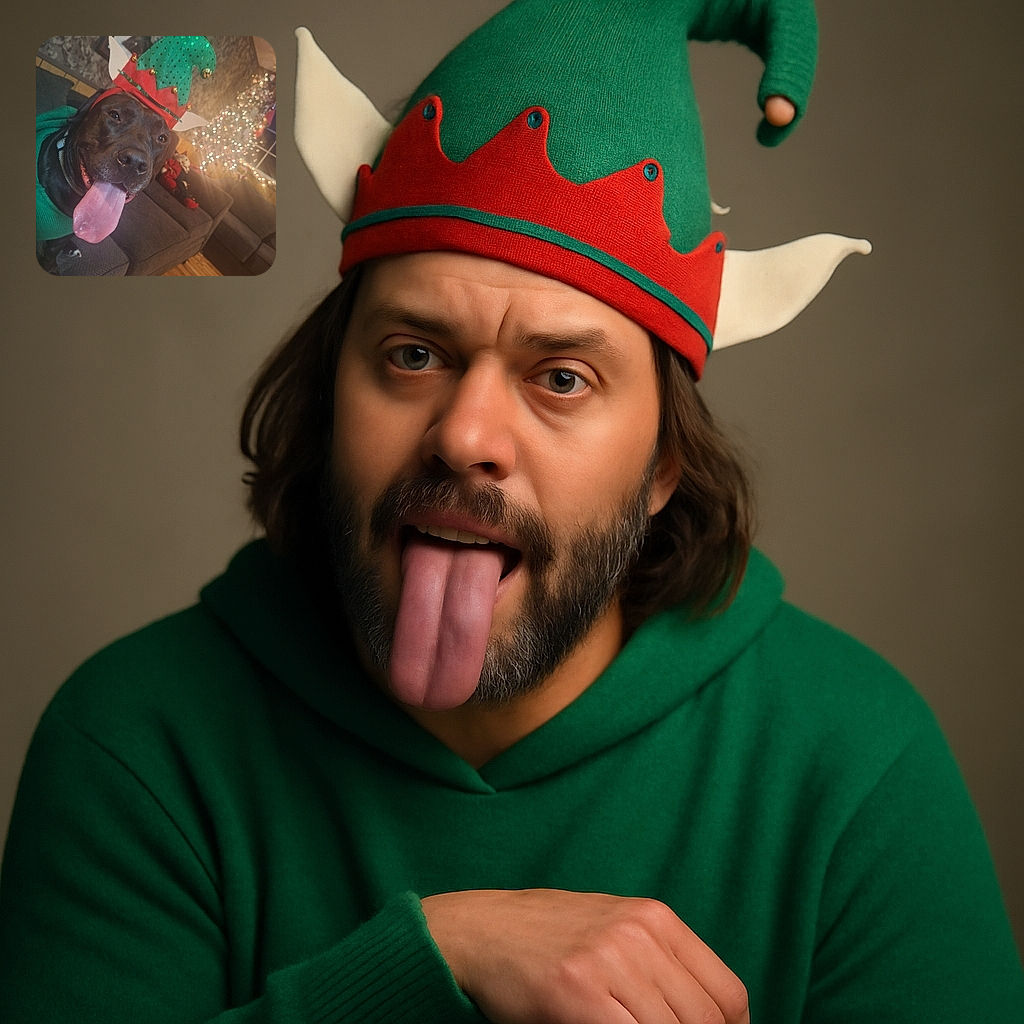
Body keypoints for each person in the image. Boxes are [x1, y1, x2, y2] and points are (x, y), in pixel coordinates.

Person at [2, 2, 1021, 1022]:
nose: (465, 433)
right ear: (329, 391)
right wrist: (426, 965)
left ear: (664, 462)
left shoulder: (854, 766)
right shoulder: (136, 740)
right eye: (413, 354)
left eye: (562, 377)